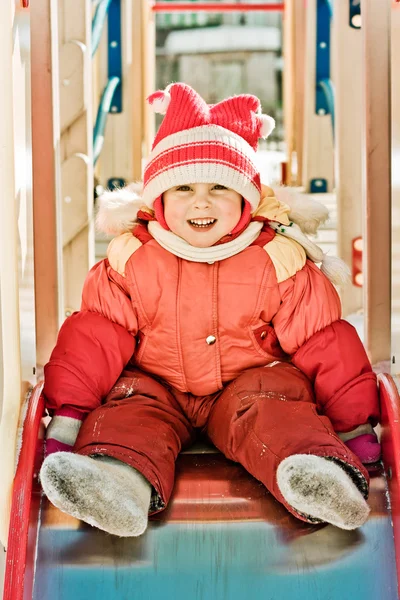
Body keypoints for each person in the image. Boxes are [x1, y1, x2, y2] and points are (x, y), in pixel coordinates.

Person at [40, 82, 380, 537]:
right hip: (154, 384)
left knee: (276, 410)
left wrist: (354, 422)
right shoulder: (131, 259)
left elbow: (324, 340)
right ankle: (117, 483)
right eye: (183, 187)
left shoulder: (276, 259)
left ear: (245, 199)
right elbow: (94, 339)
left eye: (220, 186)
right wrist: (70, 416)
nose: (201, 201)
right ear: (158, 200)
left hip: (248, 384)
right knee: (127, 415)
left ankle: (315, 475)